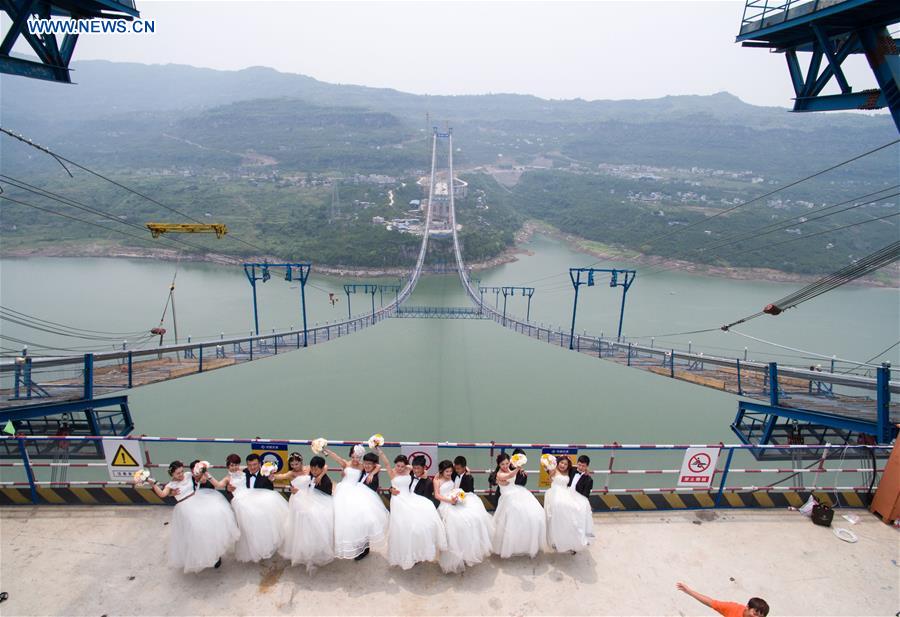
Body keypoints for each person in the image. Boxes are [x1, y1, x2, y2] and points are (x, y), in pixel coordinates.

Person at [143, 460, 239, 573]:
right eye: (178, 473)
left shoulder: (188, 475)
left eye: (181, 471)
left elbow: (198, 477)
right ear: (172, 474)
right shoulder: (171, 485)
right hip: (185, 509)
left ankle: (215, 555)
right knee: (195, 534)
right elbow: (162, 494)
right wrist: (153, 484)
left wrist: (202, 469)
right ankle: (201, 556)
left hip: (198, 500)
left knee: (209, 529)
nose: (181, 474)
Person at [377, 447, 447, 569]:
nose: (400, 468)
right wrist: (379, 450)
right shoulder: (393, 472)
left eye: (402, 466)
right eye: (398, 466)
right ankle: (402, 553)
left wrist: (426, 473)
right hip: (398, 501)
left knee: (416, 523)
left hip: (410, 499)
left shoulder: (412, 472)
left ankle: (416, 551)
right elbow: (386, 463)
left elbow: (417, 469)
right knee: (400, 528)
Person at [219, 453, 289, 563]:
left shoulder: (265, 474)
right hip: (245, 507)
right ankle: (252, 549)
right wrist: (228, 489)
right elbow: (233, 487)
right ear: (247, 465)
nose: (252, 467)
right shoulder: (243, 473)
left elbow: (269, 492)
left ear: (260, 464)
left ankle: (265, 546)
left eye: (255, 464)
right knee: (247, 529)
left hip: (262, 506)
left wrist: (271, 479)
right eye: (250, 465)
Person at [324, 444, 388, 560]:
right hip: (342, 493)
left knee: (359, 521)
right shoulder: (346, 463)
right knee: (344, 521)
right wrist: (325, 449)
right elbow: (335, 457)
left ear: (361, 457)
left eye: (358, 457)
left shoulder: (362, 466)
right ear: (350, 455)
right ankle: (350, 544)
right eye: (353, 457)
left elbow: (378, 466)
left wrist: (372, 473)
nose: (355, 459)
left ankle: (363, 548)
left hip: (356, 494)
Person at [433, 459, 493, 573]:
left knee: (466, 524)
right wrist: (449, 500)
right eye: (447, 472)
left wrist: (456, 496)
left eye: (450, 471)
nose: (449, 473)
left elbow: (454, 486)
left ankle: (464, 554)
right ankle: (451, 558)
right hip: (445, 505)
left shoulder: (452, 475)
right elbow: (437, 495)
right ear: (441, 471)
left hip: (454, 502)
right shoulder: (437, 480)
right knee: (450, 532)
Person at [279, 454, 334, 572]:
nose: (295, 466)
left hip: (310, 498)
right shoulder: (291, 473)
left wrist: (321, 475)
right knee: (298, 524)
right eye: (292, 464)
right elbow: (280, 476)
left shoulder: (309, 469)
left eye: (297, 463)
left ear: (301, 462)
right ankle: (300, 549)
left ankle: (312, 548)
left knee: (310, 523)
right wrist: (270, 474)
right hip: (298, 499)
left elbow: (325, 466)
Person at [491, 452, 546, 558]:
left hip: (516, 492)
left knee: (528, 516)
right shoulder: (499, 474)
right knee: (511, 521)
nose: (505, 466)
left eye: (507, 463)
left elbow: (513, 475)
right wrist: (518, 467)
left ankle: (523, 543)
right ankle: (509, 545)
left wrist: (519, 469)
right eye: (502, 464)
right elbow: (510, 475)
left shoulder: (509, 469)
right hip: (508, 497)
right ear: (498, 465)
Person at [544, 457, 593, 553]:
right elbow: (548, 462)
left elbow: (585, 496)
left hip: (573, 497)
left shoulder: (588, 479)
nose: (581, 467)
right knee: (556, 517)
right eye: (579, 465)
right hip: (559, 495)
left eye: (583, 466)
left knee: (572, 518)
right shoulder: (570, 470)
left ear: (587, 466)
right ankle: (555, 539)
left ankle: (573, 541)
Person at [676, 582, 770, 617]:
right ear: (747, 607)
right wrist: (689, 591)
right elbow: (710, 602)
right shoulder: (733, 608)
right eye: (755, 614)